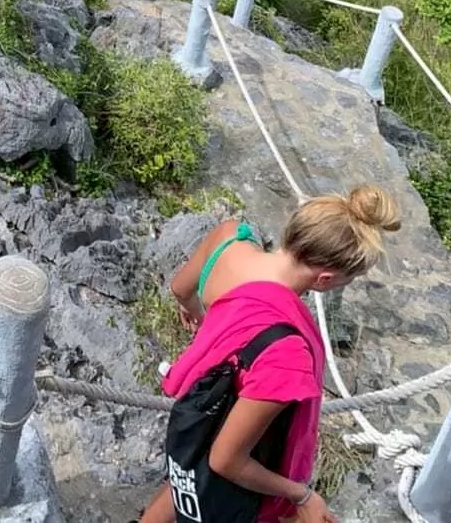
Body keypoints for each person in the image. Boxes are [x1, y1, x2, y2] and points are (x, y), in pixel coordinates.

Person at [140, 186, 401, 523]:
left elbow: (180, 288)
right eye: (346, 281)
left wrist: (203, 323)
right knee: (214, 474)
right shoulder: (287, 355)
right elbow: (226, 460)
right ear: (324, 279)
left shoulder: (229, 236)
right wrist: (302, 494)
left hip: (205, 396)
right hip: (244, 410)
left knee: (188, 470)